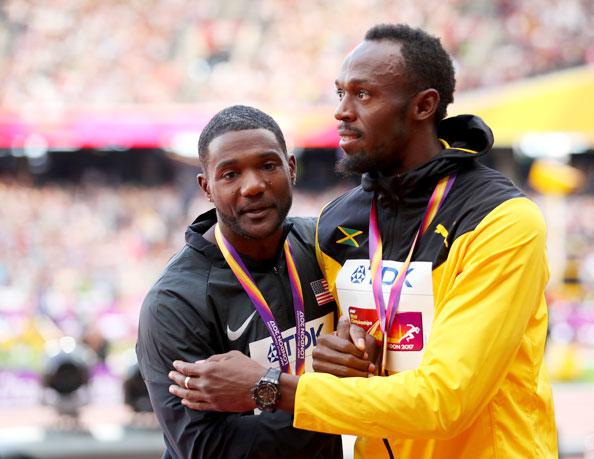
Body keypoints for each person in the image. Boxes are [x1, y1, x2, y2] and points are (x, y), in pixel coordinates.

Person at [168, 24, 558, 458]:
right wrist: (336, 352)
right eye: (340, 94)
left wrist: (270, 387)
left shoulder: (501, 221)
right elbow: (345, 349)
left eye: (363, 95)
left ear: (423, 106)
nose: (342, 112)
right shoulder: (336, 224)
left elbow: (446, 400)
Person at [136, 105, 343, 458]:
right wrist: (343, 409)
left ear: (291, 168)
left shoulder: (322, 245)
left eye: (267, 165)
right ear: (207, 187)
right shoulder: (175, 302)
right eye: (230, 174)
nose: (253, 186)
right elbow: (206, 447)